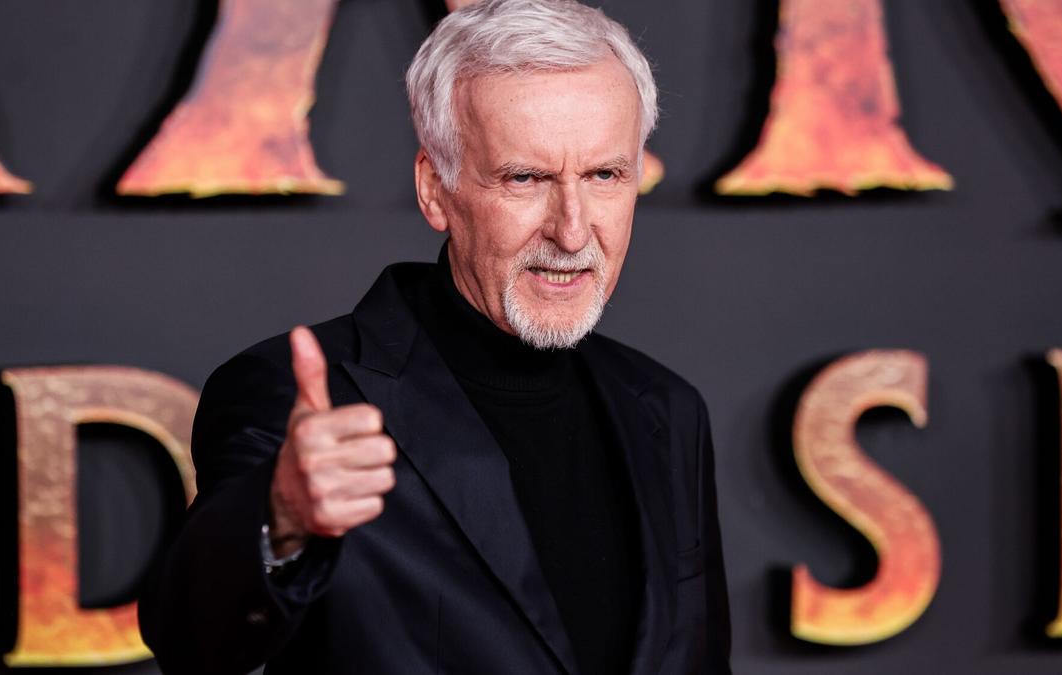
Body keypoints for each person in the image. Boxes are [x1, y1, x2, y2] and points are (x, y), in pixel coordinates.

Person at [139, 1, 731, 673]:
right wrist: (281, 520)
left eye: (605, 175)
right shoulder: (295, 394)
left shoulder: (667, 409)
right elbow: (194, 642)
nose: (572, 231)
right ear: (435, 189)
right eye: (525, 178)